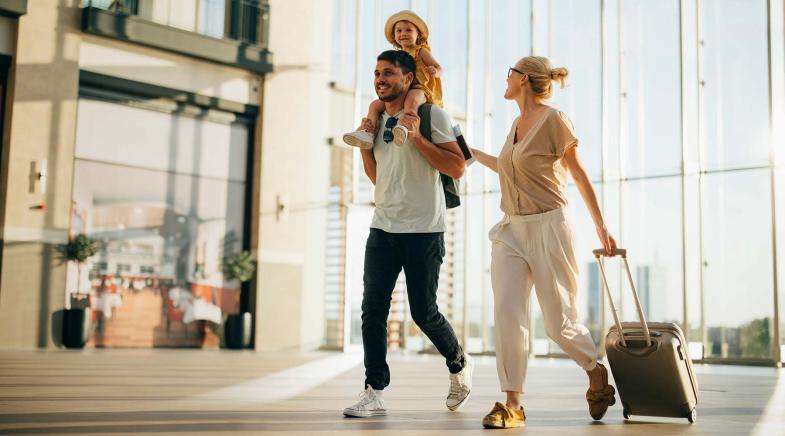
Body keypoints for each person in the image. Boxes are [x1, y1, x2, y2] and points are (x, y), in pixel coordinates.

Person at [470, 56, 618, 429]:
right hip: (511, 230)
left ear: (523, 79)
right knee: (507, 311)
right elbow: (508, 167)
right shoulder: (515, 125)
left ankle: (594, 369)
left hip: (550, 227)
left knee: (559, 322)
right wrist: (469, 152)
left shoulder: (554, 120)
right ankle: (512, 403)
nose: (505, 79)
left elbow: (578, 173)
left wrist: (601, 226)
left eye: (509, 73)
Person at [342, 49, 473, 418]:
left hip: (423, 230)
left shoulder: (432, 115)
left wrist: (416, 139)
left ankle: (459, 362)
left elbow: (458, 167)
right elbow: (378, 177)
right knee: (372, 310)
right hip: (383, 227)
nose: (380, 79)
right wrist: (366, 147)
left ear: (408, 79)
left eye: (388, 73)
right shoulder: (377, 118)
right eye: (376, 73)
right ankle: (374, 389)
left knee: (423, 312)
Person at [343, 10, 443, 149]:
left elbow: (438, 66)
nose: (403, 34)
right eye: (399, 30)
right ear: (394, 36)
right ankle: (367, 131)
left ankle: (405, 126)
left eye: (409, 30)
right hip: (401, 90)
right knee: (374, 105)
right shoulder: (396, 56)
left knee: (412, 100)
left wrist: (435, 71)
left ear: (418, 34)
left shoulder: (421, 51)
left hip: (420, 88)